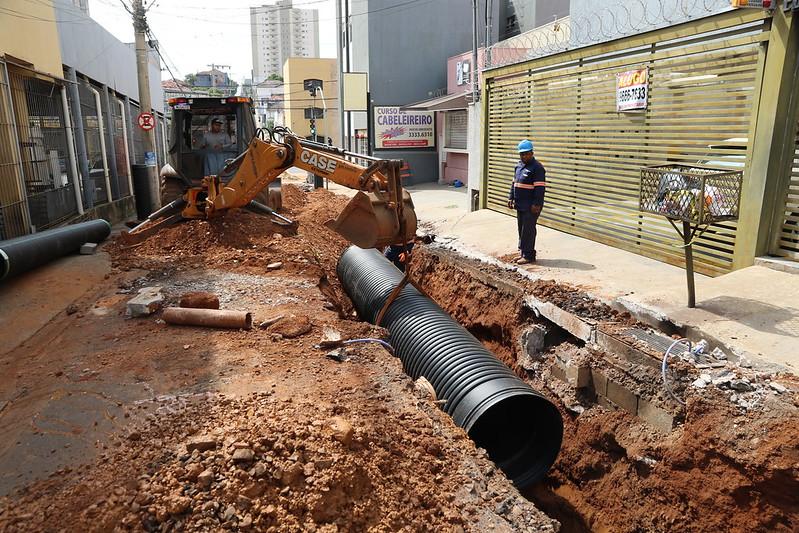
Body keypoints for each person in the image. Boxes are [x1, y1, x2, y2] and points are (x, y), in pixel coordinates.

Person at [507, 139, 546, 265]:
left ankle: (529, 255)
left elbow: (540, 188)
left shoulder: (537, 168)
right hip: (520, 204)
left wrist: (537, 204)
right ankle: (523, 253)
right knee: (522, 229)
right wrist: (511, 197)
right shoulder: (518, 166)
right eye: (522, 154)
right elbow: (514, 184)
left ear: (532, 153)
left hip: (531, 206)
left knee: (529, 230)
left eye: (527, 153)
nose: (524, 156)